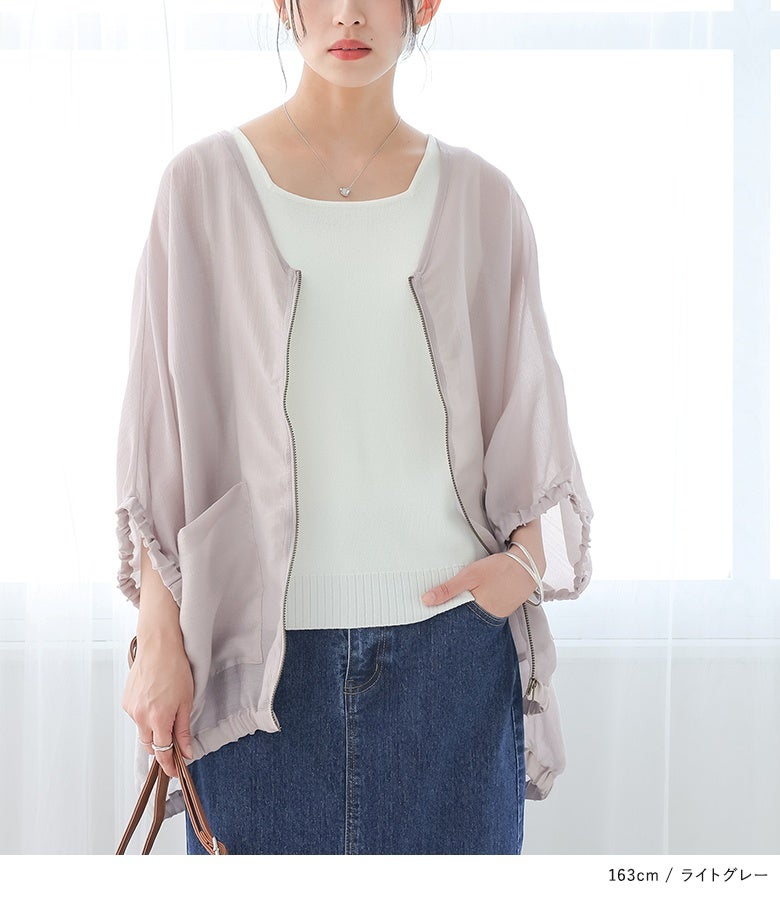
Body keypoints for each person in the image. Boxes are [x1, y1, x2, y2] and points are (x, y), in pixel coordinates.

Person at [116, 0, 594, 855]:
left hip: (451, 667)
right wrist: (157, 635)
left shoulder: (482, 200)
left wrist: (520, 568)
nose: (347, 13)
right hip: (256, 676)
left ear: (425, 5)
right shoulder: (201, 189)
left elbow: (530, 418)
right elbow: (162, 436)